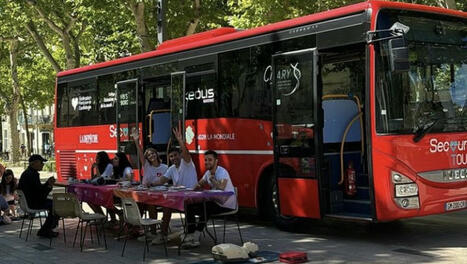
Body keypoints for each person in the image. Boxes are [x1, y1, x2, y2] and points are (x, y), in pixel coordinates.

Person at [151, 125, 198, 244]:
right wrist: (149, 184)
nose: (173, 158)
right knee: (166, 204)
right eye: (171, 156)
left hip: (192, 197)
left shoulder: (187, 163)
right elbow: (162, 180)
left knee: (173, 204)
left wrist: (181, 140)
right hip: (179, 198)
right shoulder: (171, 168)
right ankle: (163, 234)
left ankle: (190, 234)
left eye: (175, 155)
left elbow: (186, 152)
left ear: (180, 155)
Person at [184, 150, 237, 247]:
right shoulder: (207, 173)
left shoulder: (222, 171)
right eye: (205, 160)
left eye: (210, 160)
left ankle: (197, 234)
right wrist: (190, 190)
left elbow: (221, 187)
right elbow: (199, 184)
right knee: (189, 205)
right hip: (216, 202)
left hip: (226, 204)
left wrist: (213, 180)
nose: (207, 162)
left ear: (216, 161)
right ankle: (191, 233)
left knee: (207, 206)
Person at [17, 154, 59, 238]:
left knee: (54, 203)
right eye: (41, 163)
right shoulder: (32, 175)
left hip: (29, 201)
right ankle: (46, 230)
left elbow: (38, 190)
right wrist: (49, 186)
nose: (43, 164)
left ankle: (48, 229)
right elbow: (40, 195)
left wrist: (47, 184)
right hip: (33, 203)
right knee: (56, 206)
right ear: (35, 163)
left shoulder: (28, 173)